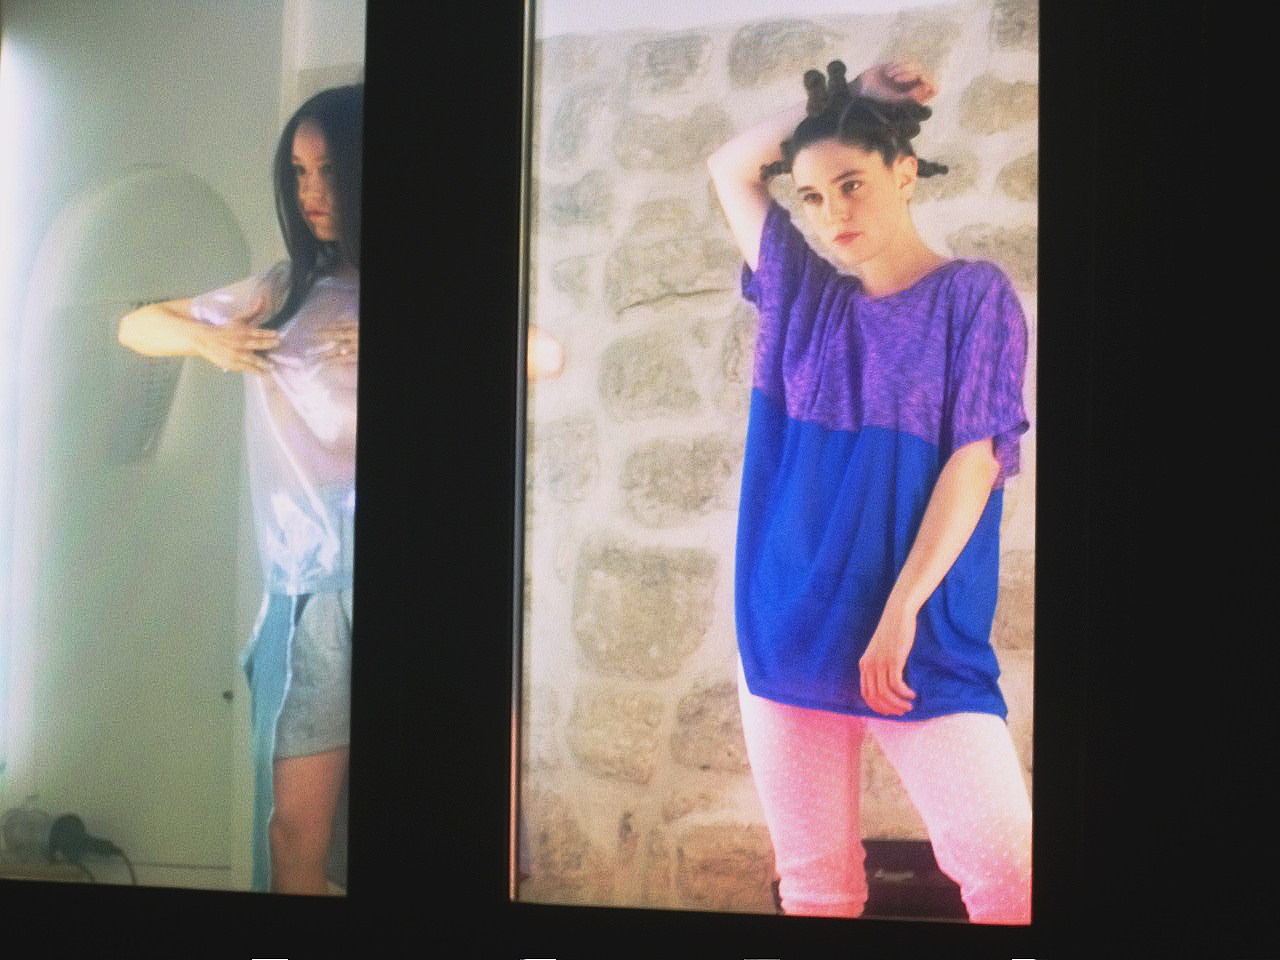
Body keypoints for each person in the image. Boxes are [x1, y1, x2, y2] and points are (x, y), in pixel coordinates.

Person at [706, 60, 1031, 924]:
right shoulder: (806, 301)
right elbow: (731, 167)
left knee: (1012, 877)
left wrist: (901, 609)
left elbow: (975, 461)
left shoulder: (973, 297)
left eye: (851, 184)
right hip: (788, 632)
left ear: (905, 171)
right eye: (812, 196)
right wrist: (846, 104)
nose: (832, 214)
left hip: (919, 641)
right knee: (816, 890)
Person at [117, 84, 362, 895]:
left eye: (331, 169)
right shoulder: (280, 290)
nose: (312, 192)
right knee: (293, 831)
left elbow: (542, 357)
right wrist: (206, 342)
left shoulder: (432, 294)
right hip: (307, 591)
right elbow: (134, 324)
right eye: (298, 172)